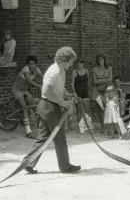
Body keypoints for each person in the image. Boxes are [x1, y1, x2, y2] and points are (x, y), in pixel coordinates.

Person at [24, 46, 81, 174]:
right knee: (59, 138)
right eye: (70, 61)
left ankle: (28, 162)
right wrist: (62, 102)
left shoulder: (61, 71)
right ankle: (65, 166)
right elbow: (46, 91)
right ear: (64, 60)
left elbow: (60, 89)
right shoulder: (53, 71)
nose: (71, 64)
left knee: (43, 137)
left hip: (48, 106)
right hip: (50, 107)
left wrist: (70, 96)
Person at [12, 56, 42, 139]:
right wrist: (38, 86)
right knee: (24, 107)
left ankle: (38, 127)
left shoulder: (36, 69)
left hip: (24, 90)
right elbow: (29, 80)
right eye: (30, 63)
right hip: (17, 89)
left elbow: (42, 77)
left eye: (33, 63)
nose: (31, 65)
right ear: (27, 64)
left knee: (34, 107)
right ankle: (28, 131)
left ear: (35, 64)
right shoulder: (25, 69)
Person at [92, 54, 112, 132]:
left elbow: (110, 79)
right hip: (98, 91)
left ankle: (108, 125)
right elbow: (95, 81)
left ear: (105, 60)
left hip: (107, 91)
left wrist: (100, 80)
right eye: (99, 59)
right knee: (100, 108)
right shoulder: (95, 69)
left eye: (102, 59)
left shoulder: (109, 68)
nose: (101, 61)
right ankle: (103, 125)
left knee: (108, 107)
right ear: (97, 61)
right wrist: (105, 79)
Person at [71, 59, 91, 126]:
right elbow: (72, 83)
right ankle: (80, 126)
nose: (80, 65)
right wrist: (74, 93)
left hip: (85, 92)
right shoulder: (74, 71)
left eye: (81, 63)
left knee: (87, 109)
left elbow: (88, 82)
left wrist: (89, 91)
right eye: (78, 63)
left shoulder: (86, 71)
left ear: (83, 64)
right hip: (78, 92)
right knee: (79, 110)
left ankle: (88, 125)